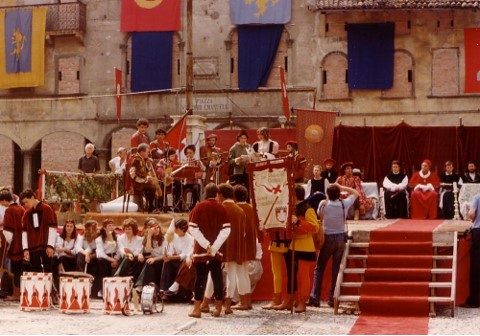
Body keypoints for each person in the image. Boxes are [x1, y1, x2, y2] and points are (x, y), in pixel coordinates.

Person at [307, 183, 358, 308]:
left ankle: (315, 297)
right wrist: (342, 187)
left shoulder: (323, 205)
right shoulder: (343, 204)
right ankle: (332, 298)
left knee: (319, 268)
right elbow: (355, 193)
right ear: (339, 194)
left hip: (327, 238)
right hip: (340, 237)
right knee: (336, 269)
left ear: (328, 194)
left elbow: (320, 216)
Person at [188, 183, 231, 318]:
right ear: (217, 194)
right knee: (217, 277)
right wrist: (214, 247)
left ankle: (197, 309)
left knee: (200, 278)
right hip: (216, 251)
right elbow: (226, 230)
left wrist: (205, 245)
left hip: (201, 249)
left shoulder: (198, 207)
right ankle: (218, 308)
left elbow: (193, 228)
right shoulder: (221, 209)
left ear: (205, 193)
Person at [278, 185, 318, 313]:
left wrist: (299, 223)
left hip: (305, 245)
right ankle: (291, 299)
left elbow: (315, 227)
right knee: (291, 274)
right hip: (292, 245)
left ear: (294, 195)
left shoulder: (308, 209)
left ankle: (302, 301)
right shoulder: (292, 208)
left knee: (303, 276)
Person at [217, 183, 248, 314]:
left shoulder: (220, 209)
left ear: (221, 195)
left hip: (221, 246)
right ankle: (231, 304)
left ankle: (206, 302)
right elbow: (244, 232)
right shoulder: (240, 210)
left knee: (214, 276)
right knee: (235, 275)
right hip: (238, 247)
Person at [232, 184, 258, 310]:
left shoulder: (236, 209)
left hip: (240, 245)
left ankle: (243, 301)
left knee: (240, 274)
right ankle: (247, 300)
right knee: (244, 274)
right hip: (250, 244)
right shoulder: (251, 208)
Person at [20, 188, 58, 273]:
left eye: (26, 202)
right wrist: (25, 249)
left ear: (33, 197)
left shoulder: (47, 209)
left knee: (48, 271)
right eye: (24, 203)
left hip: (45, 246)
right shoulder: (27, 213)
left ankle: (48, 286)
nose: (25, 204)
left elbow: (52, 228)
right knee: (35, 271)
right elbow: (24, 232)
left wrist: (50, 245)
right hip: (33, 247)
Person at [160, 218, 194, 300]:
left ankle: (174, 289)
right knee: (167, 262)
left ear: (183, 229)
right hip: (175, 259)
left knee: (181, 262)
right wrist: (168, 255)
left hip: (183, 261)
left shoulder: (190, 239)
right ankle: (164, 289)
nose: (175, 230)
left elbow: (185, 254)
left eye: (177, 228)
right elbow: (171, 249)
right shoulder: (173, 237)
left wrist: (173, 257)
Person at [0, 189, 25, 294]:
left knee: (14, 269)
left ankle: (15, 293)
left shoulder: (9, 210)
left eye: (2, 202)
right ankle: (20, 292)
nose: (2, 205)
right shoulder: (21, 208)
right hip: (23, 241)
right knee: (20, 268)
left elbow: (8, 231)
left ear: (5, 200)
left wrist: (7, 242)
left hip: (14, 243)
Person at [135, 218, 166, 292]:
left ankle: (141, 286)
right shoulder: (146, 238)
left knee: (148, 262)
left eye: (157, 227)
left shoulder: (164, 239)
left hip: (160, 261)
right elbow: (148, 250)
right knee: (145, 262)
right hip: (152, 260)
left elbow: (165, 255)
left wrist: (154, 258)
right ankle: (144, 286)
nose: (157, 230)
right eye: (154, 228)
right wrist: (149, 236)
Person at [461, 192, 480, 308]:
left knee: (476, 266)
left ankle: (474, 300)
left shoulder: (477, 197)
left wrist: (468, 216)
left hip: (478, 231)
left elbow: (472, 214)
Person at [129, 143, 160, 213]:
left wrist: (148, 165)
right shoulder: (136, 159)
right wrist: (144, 180)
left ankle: (149, 206)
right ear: (142, 152)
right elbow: (132, 173)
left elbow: (145, 171)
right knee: (153, 187)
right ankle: (151, 207)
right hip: (137, 183)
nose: (148, 154)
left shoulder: (143, 159)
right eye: (147, 152)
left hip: (142, 181)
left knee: (153, 184)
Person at [94, 218, 119, 298]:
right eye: (109, 226)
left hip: (115, 257)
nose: (111, 227)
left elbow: (119, 249)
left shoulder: (117, 237)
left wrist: (115, 259)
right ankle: (102, 288)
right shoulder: (99, 239)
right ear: (104, 228)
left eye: (112, 225)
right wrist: (111, 259)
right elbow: (100, 253)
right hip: (105, 258)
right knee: (100, 261)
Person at [115, 218, 144, 284]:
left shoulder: (139, 239)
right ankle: (119, 276)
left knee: (138, 259)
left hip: (134, 259)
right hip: (124, 259)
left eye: (129, 229)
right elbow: (121, 249)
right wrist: (128, 254)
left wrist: (131, 253)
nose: (127, 231)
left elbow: (138, 251)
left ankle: (133, 280)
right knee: (127, 258)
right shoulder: (120, 238)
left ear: (133, 229)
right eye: (126, 229)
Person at [53, 220, 78, 288]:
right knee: (56, 258)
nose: (69, 228)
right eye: (67, 226)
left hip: (72, 259)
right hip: (61, 258)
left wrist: (64, 250)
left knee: (61, 257)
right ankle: (57, 283)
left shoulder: (77, 238)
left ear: (74, 228)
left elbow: (75, 251)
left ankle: (62, 273)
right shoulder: (60, 237)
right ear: (65, 227)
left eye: (71, 226)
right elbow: (58, 249)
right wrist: (66, 251)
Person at [157, 148, 183, 212]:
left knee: (179, 184)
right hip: (163, 181)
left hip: (171, 181)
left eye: (174, 156)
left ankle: (177, 205)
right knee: (178, 184)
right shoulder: (162, 161)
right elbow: (159, 170)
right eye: (172, 156)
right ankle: (163, 206)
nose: (174, 157)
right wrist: (166, 176)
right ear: (167, 156)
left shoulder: (174, 162)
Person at [182, 145, 204, 211]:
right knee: (178, 187)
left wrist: (196, 175)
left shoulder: (197, 162)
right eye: (187, 153)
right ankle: (181, 207)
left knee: (196, 188)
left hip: (194, 182)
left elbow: (201, 173)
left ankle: (193, 205)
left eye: (190, 153)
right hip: (185, 183)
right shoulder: (183, 162)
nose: (189, 154)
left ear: (194, 153)